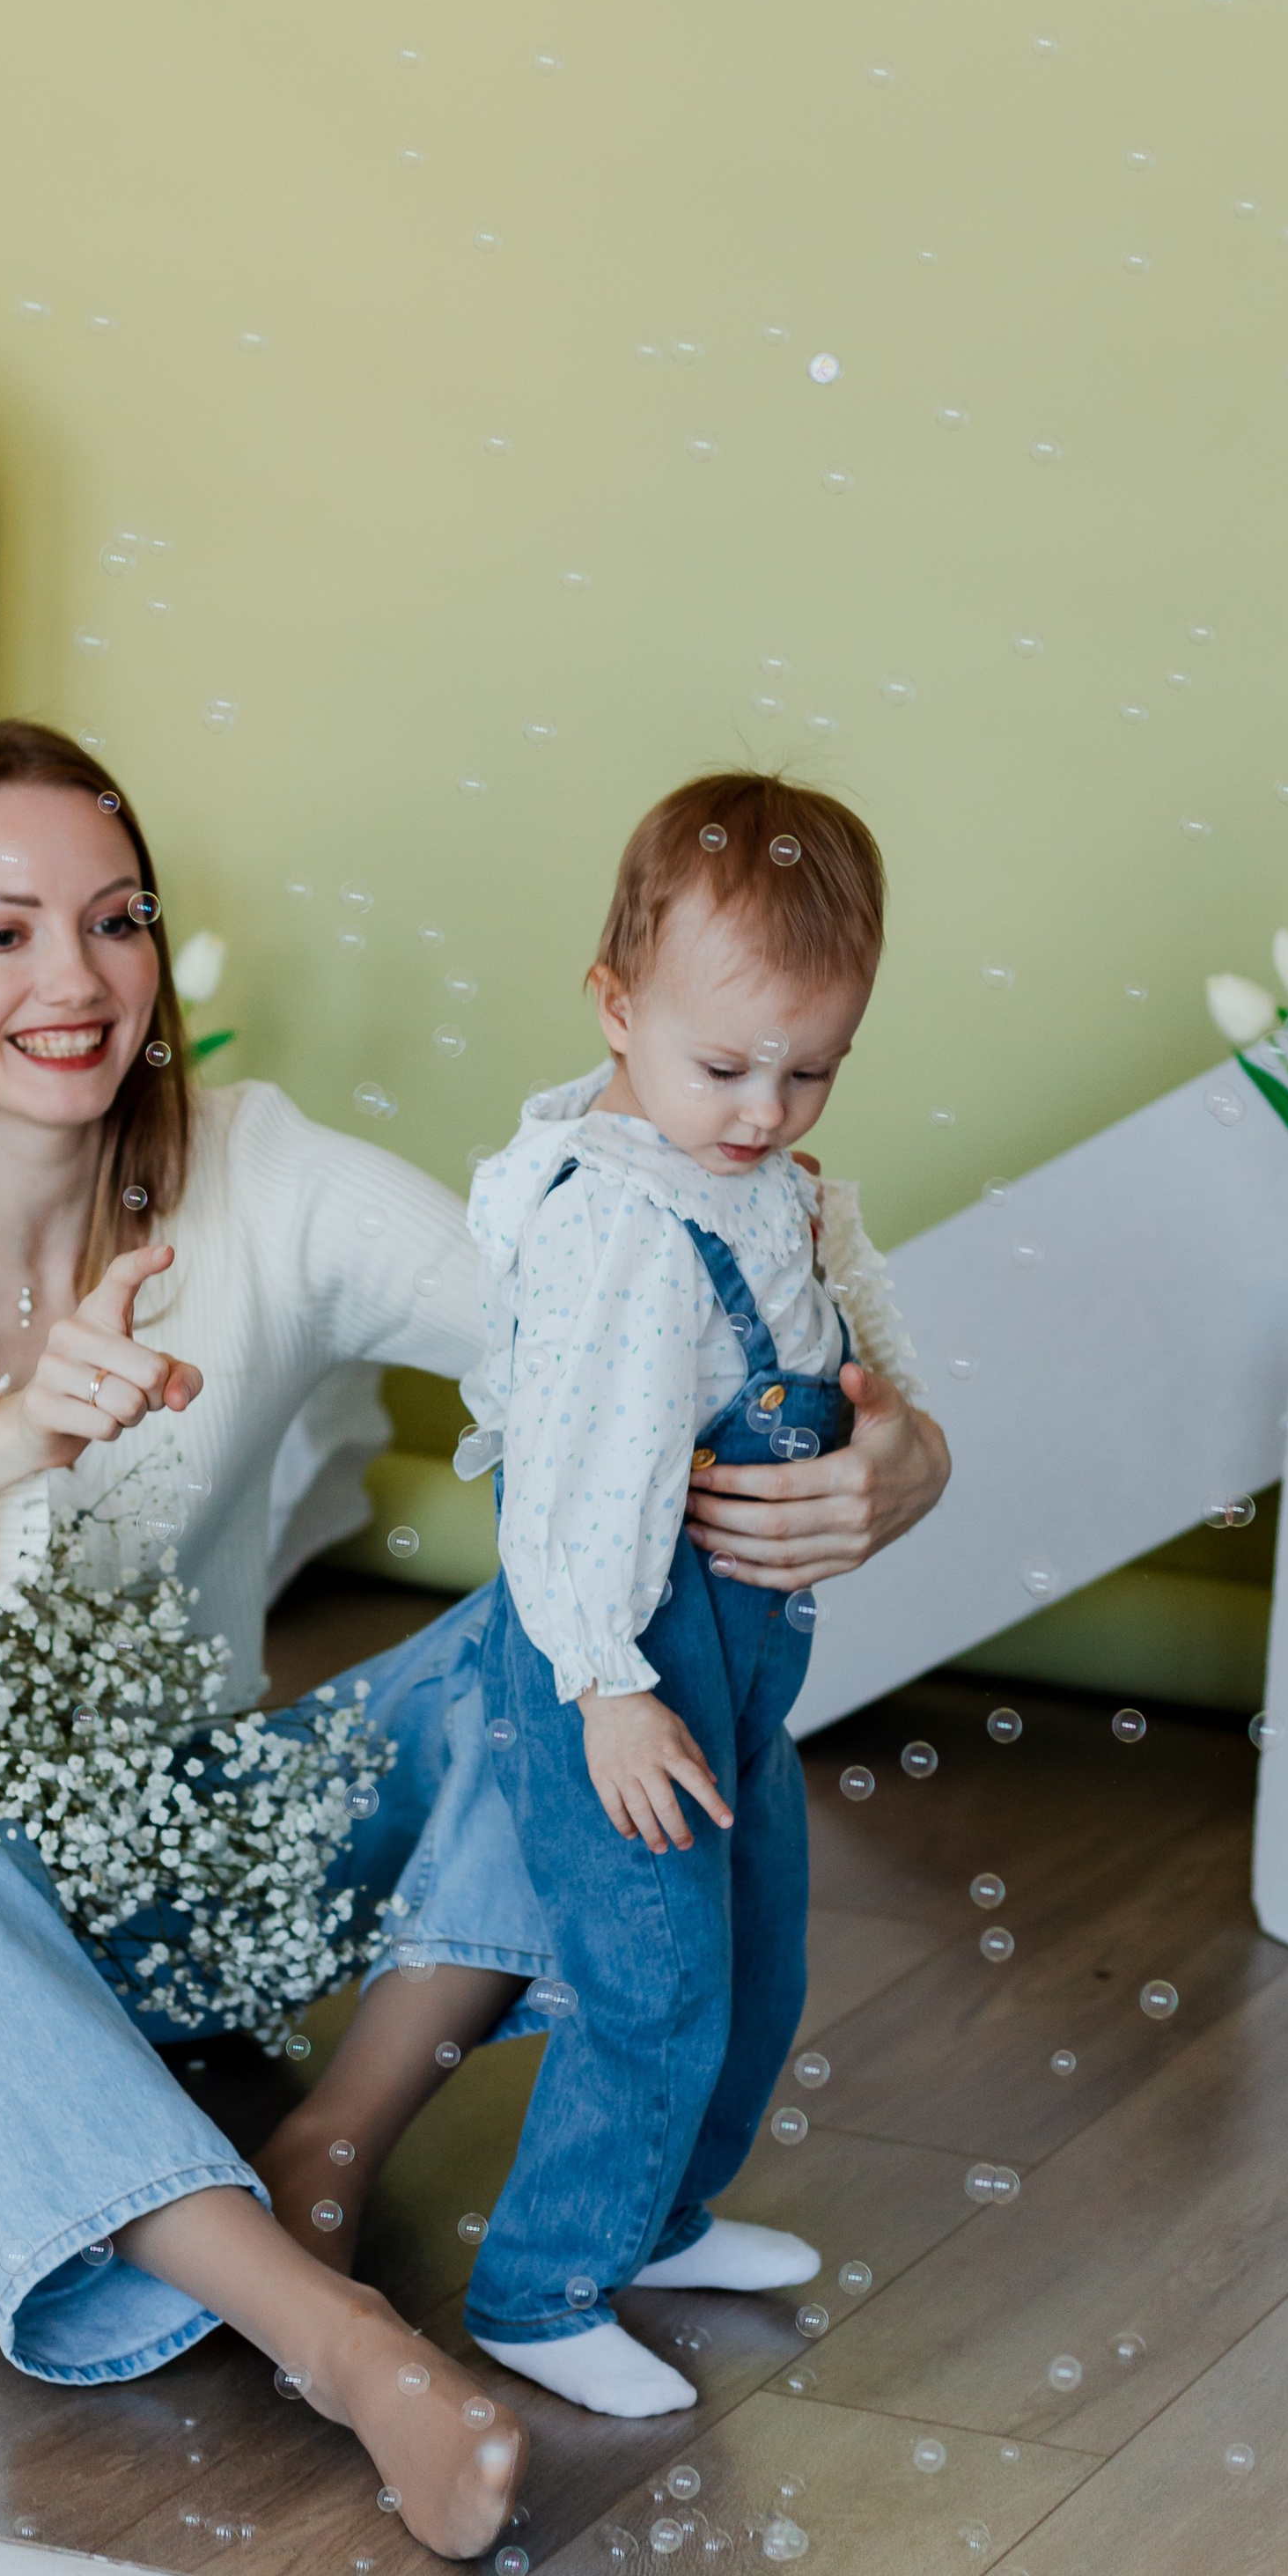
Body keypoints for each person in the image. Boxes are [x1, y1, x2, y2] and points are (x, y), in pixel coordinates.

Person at [0, 719, 948, 2545]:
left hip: (190, 1856)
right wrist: (1, 1431)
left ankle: (331, 2139)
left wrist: (893, 1445)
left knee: (558, 1640)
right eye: (0, 931)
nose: (77, 977)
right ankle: (332, 2334)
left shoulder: (250, 1170)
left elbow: (585, 1335)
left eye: (115, 920)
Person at [457, 776, 924, 2417]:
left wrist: (892, 1418)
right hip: (615, 1657)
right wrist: (602, 1679)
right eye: (724, 1067)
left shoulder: (778, 1187)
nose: (764, 1108)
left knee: (759, 1952)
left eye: (812, 1069)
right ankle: (538, 2281)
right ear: (615, 1005)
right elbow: (577, 1478)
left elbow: (854, 1335)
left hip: (731, 1664)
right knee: (652, 1973)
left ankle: (659, 2220)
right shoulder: (622, 1227)